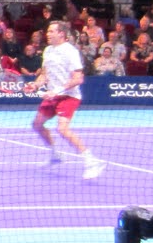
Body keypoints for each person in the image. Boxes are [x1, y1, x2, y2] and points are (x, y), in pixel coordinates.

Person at [26, 20, 102, 179]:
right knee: (37, 124)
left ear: (61, 33)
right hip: (53, 94)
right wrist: (36, 84)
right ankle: (55, 155)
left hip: (69, 96)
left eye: (51, 31)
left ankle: (92, 161)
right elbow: (45, 74)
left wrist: (57, 90)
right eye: (48, 31)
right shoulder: (47, 50)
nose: (47, 34)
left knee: (62, 129)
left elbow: (78, 79)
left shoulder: (71, 51)